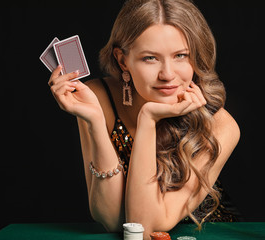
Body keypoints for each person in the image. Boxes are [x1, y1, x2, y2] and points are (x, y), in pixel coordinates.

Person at [48, 0, 240, 238]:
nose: (167, 74)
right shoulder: (98, 98)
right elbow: (111, 220)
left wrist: (147, 119)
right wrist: (95, 123)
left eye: (181, 55)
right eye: (150, 58)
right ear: (122, 60)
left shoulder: (220, 125)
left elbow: (144, 226)